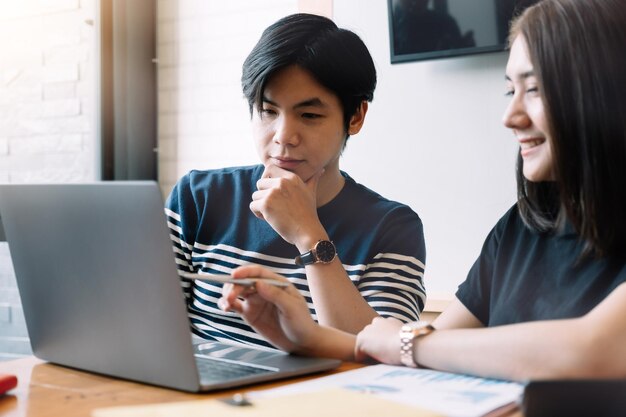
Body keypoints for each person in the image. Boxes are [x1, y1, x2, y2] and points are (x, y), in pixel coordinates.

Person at [219, 0, 626, 381]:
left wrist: (403, 340)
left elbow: (590, 351)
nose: (510, 116)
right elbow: (419, 354)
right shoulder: (520, 229)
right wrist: (307, 337)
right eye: (510, 90)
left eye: (533, 89)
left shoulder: (392, 224)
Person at [166, 14, 426, 349]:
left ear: (356, 117)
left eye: (309, 115)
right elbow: (149, 321)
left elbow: (379, 358)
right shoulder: (197, 198)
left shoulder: (392, 227)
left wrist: (309, 235)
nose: (283, 136)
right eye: (268, 111)